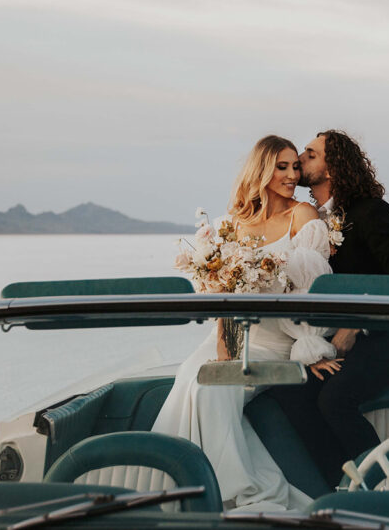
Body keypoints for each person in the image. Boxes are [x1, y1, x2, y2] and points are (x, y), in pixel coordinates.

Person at [152, 135, 339, 511]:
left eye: (295, 166)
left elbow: (311, 288)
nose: (291, 175)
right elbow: (222, 289)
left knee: (212, 390)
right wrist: (223, 342)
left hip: (277, 340)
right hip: (230, 335)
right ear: (263, 169)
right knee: (190, 378)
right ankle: (175, 486)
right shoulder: (232, 223)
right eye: (282, 167)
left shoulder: (302, 216)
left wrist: (310, 346)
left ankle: (232, 495)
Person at [269, 129, 389, 488]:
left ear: (333, 167)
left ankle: (384, 488)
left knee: (334, 400)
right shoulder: (310, 219)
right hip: (329, 343)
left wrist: (355, 327)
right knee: (288, 391)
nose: (300, 160)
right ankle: (337, 486)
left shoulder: (372, 212)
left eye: (310, 154)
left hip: (381, 341)